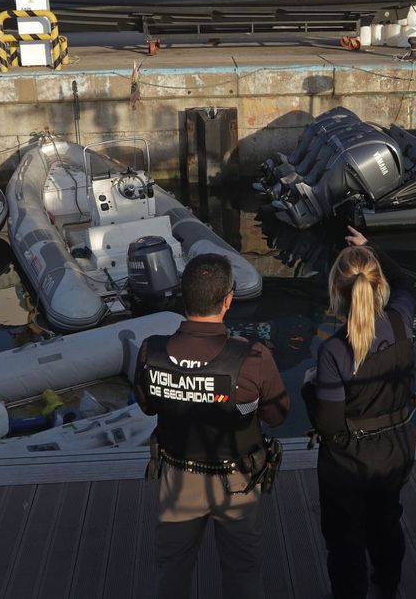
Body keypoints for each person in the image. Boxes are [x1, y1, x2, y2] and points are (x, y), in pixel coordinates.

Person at [135, 253, 290, 599]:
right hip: (238, 480)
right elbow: (277, 415)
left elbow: (147, 407)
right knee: (242, 572)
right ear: (228, 300)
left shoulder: (151, 352)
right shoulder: (253, 357)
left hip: (177, 477)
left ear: (182, 295)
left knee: (172, 570)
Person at [302, 227, 416, 599]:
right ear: (377, 284)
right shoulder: (401, 321)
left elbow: (330, 425)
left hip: (348, 462)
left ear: (337, 292)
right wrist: (371, 250)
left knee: (344, 537)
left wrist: (310, 388)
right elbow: (407, 281)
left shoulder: (334, 353)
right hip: (396, 449)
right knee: (387, 519)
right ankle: (387, 583)